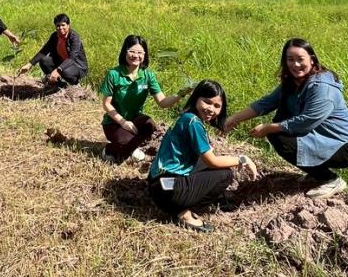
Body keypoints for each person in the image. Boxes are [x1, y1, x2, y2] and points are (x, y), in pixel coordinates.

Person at [224, 38, 348, 199]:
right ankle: (316, 173)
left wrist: (269, 127)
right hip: (322, 138)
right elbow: (266, 103)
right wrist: (233, 119)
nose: (295, 64)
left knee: (278, 134)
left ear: (312, 60)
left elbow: (307, 121)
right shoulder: (293, 83)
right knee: (281, 118)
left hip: (345, 146)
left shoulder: (323, 88)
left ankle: (330, 180)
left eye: (300, 59)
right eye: (290, 60)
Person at [148, 80, 259, 232]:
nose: (211, 109)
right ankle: (185, 212)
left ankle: (186, 201)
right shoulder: (194, 123)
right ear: (196, 99)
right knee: (225, 174)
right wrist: (242, 160)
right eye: (207, 102)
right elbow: (212, 161)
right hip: (170, 193)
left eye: (217, 106)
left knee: (205, 163)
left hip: (158, 185)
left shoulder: (186, 117)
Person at [98, 35, 188, 163]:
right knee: (126, 144)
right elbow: (107, 105)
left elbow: (163, 103)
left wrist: (181, 93)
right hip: (114, 122)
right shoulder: (114, 74)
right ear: (125, 52)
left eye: (140, 52)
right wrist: (123, 122)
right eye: (132, 51)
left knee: (149, 125)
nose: (136, 56)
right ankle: (109, 149)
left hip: (135, 119)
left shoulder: (148, 75)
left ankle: (130, 148)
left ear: (145, 55)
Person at [18, 13, 88, 88]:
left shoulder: (74, 38)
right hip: (61, 62)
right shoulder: (55, 36)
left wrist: (58, 70)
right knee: (44, 60)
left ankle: (74, 84)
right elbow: (44, 51)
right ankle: (57, 83)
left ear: (68, 25)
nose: (60, 28)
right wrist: (30, 64)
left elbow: (72, 58)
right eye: (58, 26)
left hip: (76, 65)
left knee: (64, 71)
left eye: (63, 25)